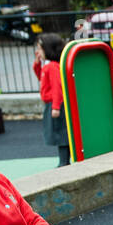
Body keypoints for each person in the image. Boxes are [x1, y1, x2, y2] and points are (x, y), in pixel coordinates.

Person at [32, 34, 70, 167]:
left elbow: (57, 88)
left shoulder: (52, 67)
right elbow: (42, 78)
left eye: (40, 49)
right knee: (59, 132)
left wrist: (55, 107)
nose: (38, 52)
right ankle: (64, 161)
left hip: (55, 105)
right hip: (52, 104)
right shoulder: (48, 66)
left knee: (61, 133)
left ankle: (64, 162)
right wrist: (37, 64)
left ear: (48, 50)